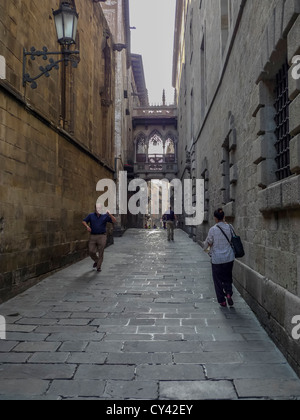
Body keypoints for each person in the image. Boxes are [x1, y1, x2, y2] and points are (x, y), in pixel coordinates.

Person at [202, 208, 235, 307]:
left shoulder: (213, 229)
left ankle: (222, 301)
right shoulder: (230, 227)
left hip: (217, 259)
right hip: (229, 258)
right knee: (228, 277)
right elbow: (233, 239)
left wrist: (207, 251)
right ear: (224, 217)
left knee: (217, 280)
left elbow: (207, 244)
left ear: (215, 218)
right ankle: (229, 293)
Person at [82, 204, 116, 272]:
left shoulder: (105, 216)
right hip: (93, 236)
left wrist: (110, 214)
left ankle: (98, 267)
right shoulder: (91, 215)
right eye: (97, 208)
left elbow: (114, 221)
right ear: (95, 208)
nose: (98, 209)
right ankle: (97, 261)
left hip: (102, 236)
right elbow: (84, 221)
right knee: (91, 251)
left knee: (101, 251)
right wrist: (87, 226)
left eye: (99, 208)